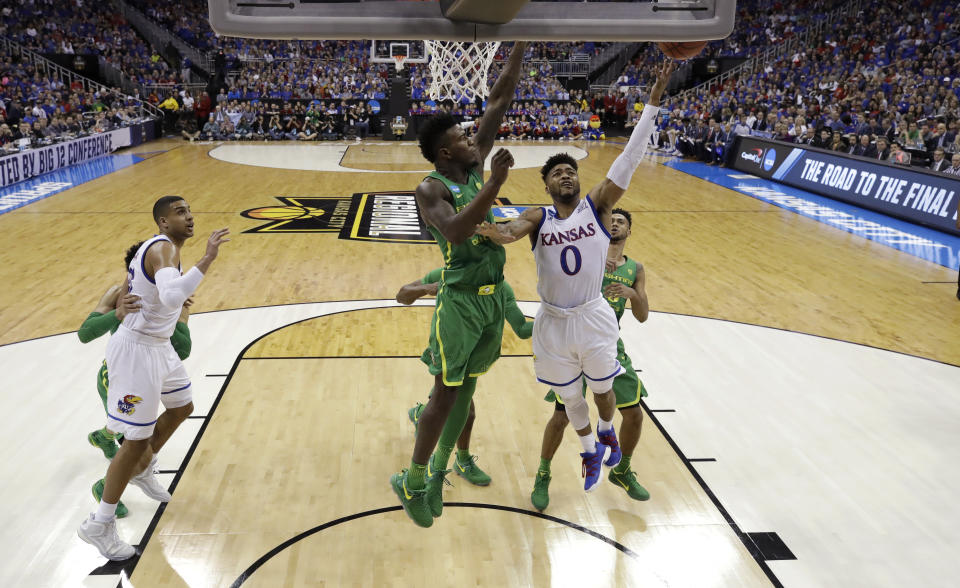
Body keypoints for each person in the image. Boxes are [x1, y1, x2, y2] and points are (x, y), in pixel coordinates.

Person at [476, 59, 675, 494]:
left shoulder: (597, 207)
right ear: (547, 185)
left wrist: (654, 101)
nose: (566, 175)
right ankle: (590, 452)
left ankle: (606, 432)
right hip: (551, 321)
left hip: (591, 315)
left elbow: (629, 158)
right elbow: (512, 232)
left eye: (571, 171)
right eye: (556, 173)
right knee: (568, 400)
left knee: (604, 392)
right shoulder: (539, 215)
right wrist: (496, 233)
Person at [390, 41, 528, 529]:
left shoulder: (470, 164)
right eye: (466, 138)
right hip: (460, 304)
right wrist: (494, 184)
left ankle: (445, 465)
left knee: (466, 389)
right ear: (446, 152)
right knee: (444, 394)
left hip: (492, 300)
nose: (476, 139)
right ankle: (413, 477)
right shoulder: (432, 187)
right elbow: (453, 231)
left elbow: (499, 101)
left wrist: (522, 44)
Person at [77, 197, 229, 560]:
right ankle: (99, 523)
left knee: (182, 407)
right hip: (135, 352)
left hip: (158, 347)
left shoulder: (169, 252)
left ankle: (144, 468)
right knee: (133, 442)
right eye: (180, 212)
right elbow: (173, 293)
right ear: (162, 221)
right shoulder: (162, 249)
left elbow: (171, 296)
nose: (189, 216)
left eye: (190, 210)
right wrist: (207, 258)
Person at [531, 208, 650, 511]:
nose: (615, 223)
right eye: (611, 220)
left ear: (629, 231)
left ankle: (621, 471)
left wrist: (632, 294)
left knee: (635, 413)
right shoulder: (588, 253)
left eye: (622, 221)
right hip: (573, 341)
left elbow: (643, 316)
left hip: (607, 344)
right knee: (561, 416)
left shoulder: (635, 268)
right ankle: (543, 474)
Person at [79, 241, 194, 518]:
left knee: (162, 423)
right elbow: (85, 333)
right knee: (137, 448)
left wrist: (179, 315)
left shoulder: (171, 297)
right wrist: (118, 314)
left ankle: (105, 435)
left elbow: (183, 350)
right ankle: (104, 489)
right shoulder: (117, 294)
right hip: (115, 376)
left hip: (149, 372)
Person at [397, 269, 532, 486]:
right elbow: (402, 294)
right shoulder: (446, 274)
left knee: (459, 409)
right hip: (450, 352)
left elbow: (523, 330)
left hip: (474, 358)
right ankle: (453, 462)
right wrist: (427, 288)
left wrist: (556, 321)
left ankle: (423, 416)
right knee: (465, 411)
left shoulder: (501, 288)